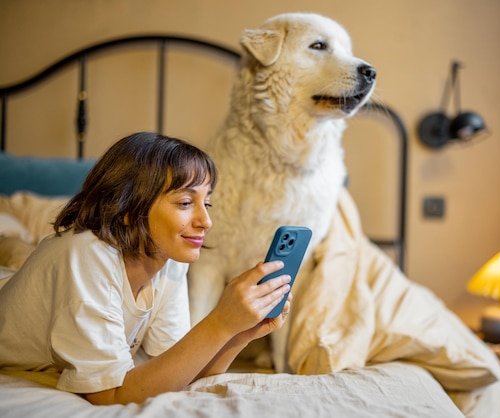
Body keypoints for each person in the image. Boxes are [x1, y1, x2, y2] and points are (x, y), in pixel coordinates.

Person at [0, 132, 292, 405]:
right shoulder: (86, 254)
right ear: (127, 209)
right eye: (186, 202)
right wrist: (220, 321)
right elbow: (107, 396)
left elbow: (180, 372)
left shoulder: (168, 260)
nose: (206, 220)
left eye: (208, 203)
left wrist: (239, 333)